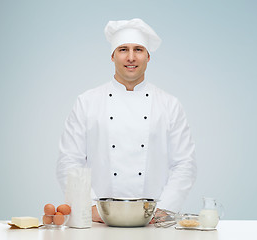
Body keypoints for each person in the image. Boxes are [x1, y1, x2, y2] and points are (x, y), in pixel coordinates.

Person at [56, 18, 196, 223]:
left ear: (148, 56)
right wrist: (90, 208)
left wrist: (165, 208)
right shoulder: (87, 102)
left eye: (138, 49)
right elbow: (69, 160)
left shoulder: (169, 104)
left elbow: (185, 163)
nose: (131, 57)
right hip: (99, 221)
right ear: (112, 56)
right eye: (123, 49)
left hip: (153, 222)